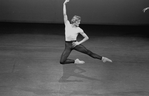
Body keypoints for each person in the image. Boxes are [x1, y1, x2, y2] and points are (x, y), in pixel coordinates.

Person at [60, 0, 112, 65]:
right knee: (62, 61)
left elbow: (86, 37)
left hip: (75, 44)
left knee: (88, 52)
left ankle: (102, 58)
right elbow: (64, 14)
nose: (80, 23)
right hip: (67, 45)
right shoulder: (67, 24)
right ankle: (75, 61)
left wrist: (78, 43)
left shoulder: (79, 29)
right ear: (75, 21)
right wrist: (64, 4)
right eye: (79, 21)